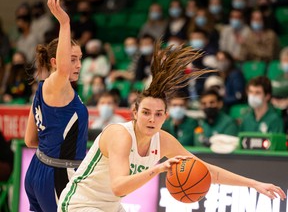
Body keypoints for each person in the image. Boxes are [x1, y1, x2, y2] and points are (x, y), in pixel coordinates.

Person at [58, 38, 286, 211]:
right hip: (80, 203)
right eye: (146, 112)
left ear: (166, 117)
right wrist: (158, 169)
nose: (151, 119)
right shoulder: (120, 135)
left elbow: (206, 171)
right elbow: (119, 186)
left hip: (110, 206)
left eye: (158, 114)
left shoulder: (163, 140)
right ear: (134, 113)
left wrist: (254, 184)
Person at [24, 0, 89, 211]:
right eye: (72, 59)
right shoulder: (57, 83)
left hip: (38, 168)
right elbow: (62, 71)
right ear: (55, 61)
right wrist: (64, 23)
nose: (78, 65)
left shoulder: (44, 89)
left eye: (80, 58)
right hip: (57, 176)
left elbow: (30, 140)